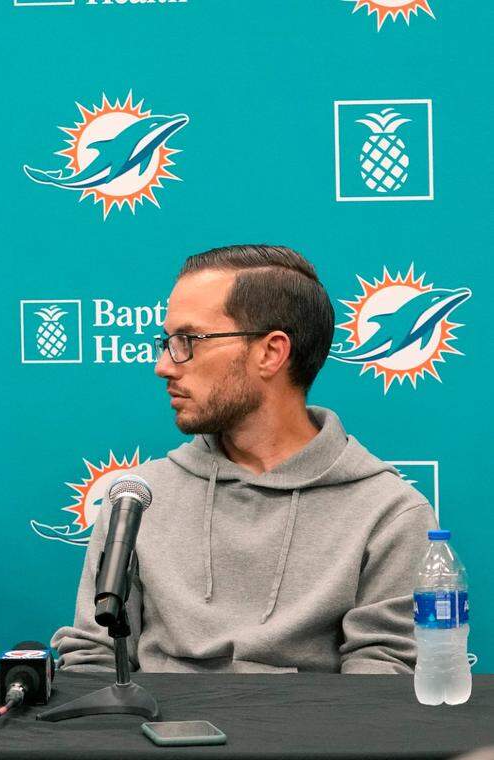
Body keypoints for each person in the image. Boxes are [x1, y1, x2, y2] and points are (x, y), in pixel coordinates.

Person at [53, 244, 436, 674]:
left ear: (271, 353)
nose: (164, 365)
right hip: (152, 735)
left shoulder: (390, 513)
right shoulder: (138, 499)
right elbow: (96, 661)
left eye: (188, 341)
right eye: (167, 341)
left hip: (311, 739)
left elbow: (380, 687)